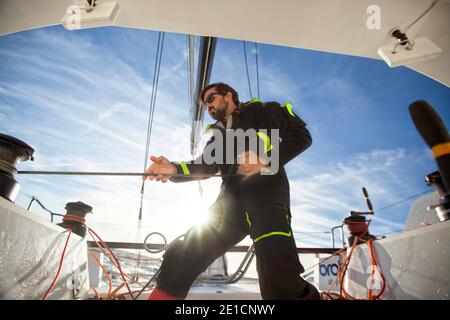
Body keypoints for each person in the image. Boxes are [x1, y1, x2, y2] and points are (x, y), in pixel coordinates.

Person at [144, 82, 320, 300]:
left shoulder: (265, 111)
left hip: (267, 203)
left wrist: (265, 161)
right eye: (204, 105)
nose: (207, 107)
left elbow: (301, 136)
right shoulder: (217, 135)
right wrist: (174, 169)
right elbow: (204, 167)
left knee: (279, 276)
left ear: (229, 95)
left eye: (210, 99)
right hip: (228, 208)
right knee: (182, 256)